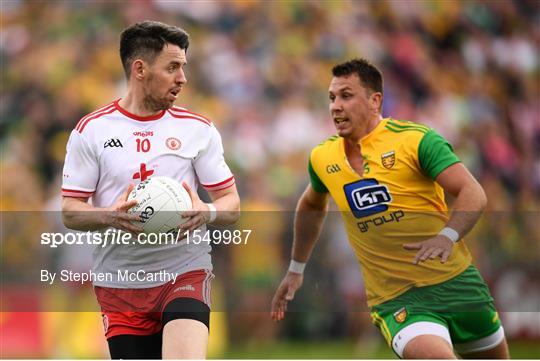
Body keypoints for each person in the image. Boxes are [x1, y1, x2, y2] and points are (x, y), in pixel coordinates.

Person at [270, 58, 509, 359]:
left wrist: (446, 236)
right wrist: (296, 269)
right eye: (331, 98)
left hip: (459, 284)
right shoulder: (322, 157)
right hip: (396, 300)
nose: (335, 106)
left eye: (346, 95)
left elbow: (473, 192)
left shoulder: (416, 140)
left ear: (374, 100)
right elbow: (310, 205)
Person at [61, 21, 240, 359]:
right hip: (120, 281)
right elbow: (70, 210)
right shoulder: (92, 131)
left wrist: (208, 211)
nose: (182, 78)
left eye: (183, 67)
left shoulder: (198, 130)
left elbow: (231, 204)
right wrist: (111, 216)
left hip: (184, 270)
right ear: (139, 69)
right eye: (172, 67)